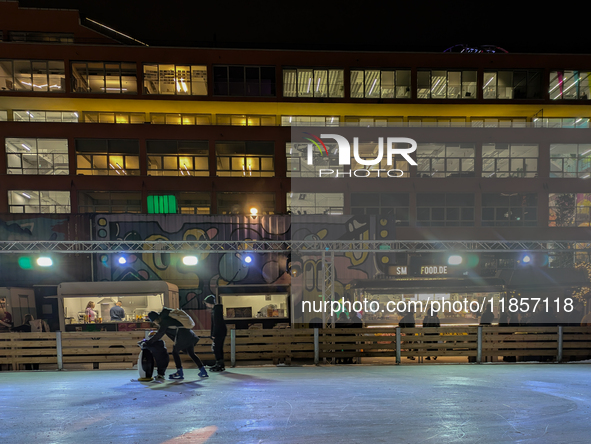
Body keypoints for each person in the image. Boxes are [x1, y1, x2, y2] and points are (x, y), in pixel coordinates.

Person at [146, 308, 208, 379]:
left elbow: (159, 334)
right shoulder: (167, 318)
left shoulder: (164, 321)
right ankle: (203, 370)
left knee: (175, 352)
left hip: (182, 336)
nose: (155, 323)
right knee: (191, 353)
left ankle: (179, 372)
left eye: (154, 321)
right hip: (189, 335)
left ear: (155, 319)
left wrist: (149, 342)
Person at [204, 294, 227, 372]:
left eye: (206, 303)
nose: (206, 305)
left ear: (209, 303)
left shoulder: (216, 311)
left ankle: (220, 364)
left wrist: (214, 334)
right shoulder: (216, 310)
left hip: (219, 332)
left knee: (217, 348)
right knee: (217, 348)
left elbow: (217, 324)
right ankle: (219, 363)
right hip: (221, 331)